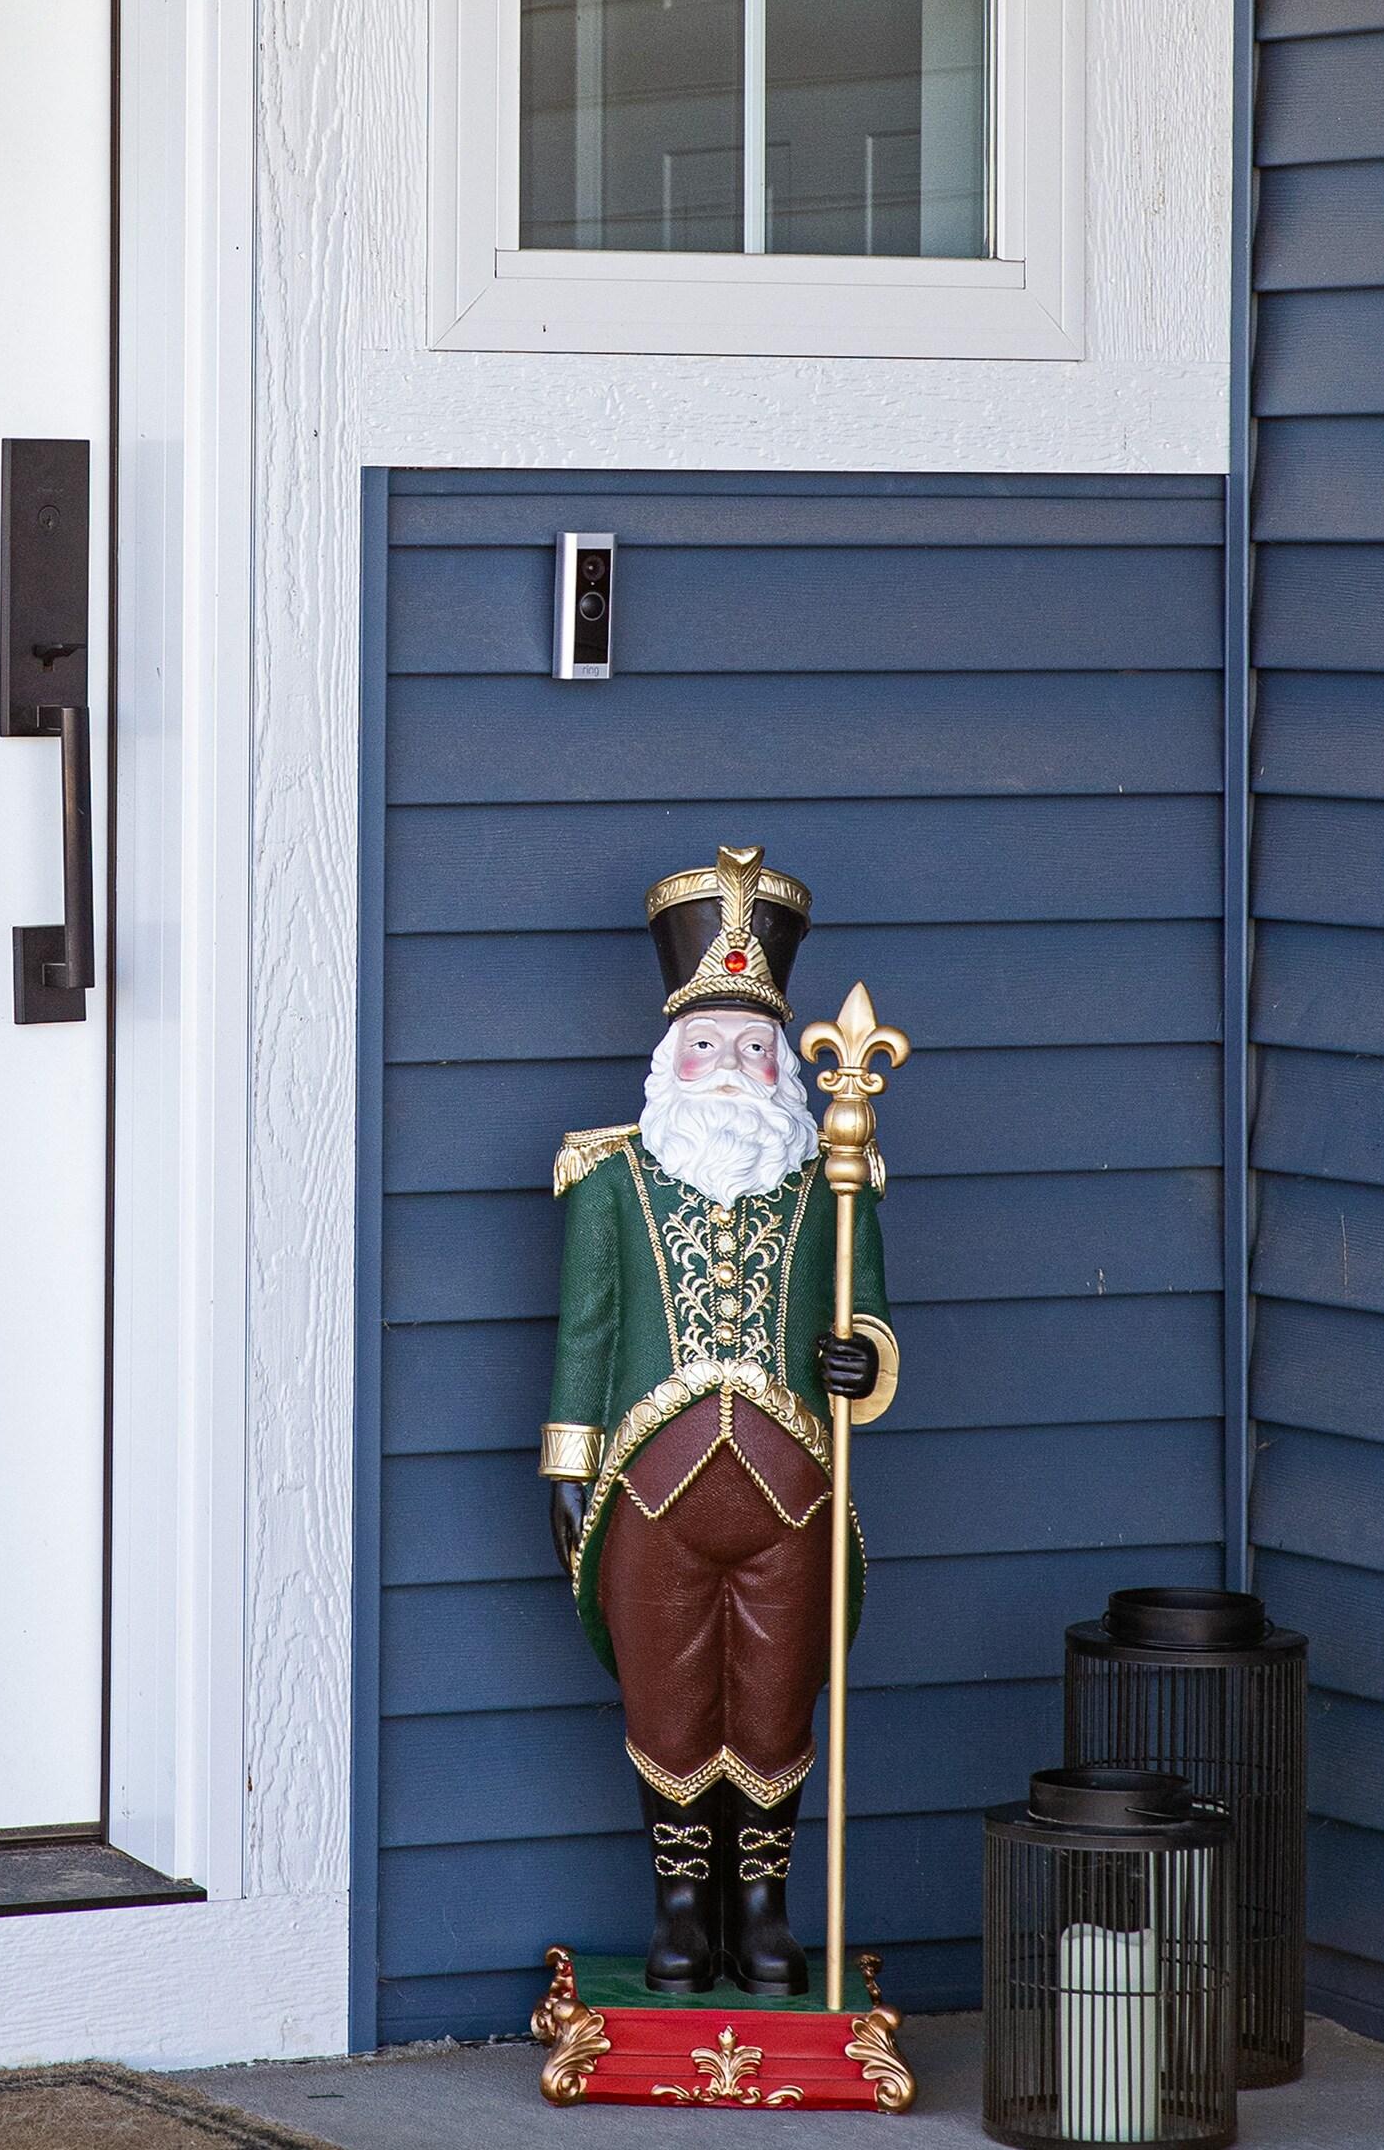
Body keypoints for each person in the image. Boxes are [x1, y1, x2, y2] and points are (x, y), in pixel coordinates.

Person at [539, 847, 896, 1996]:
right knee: (671, 1687)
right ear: (671, 1058)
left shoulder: (833, 1185)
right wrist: (566, 1461)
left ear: (784, 1063)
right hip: (653, 1491)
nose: (732, 1066)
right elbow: (587, 1335)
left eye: (754, 1048)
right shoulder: (612, 1180)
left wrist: (860, 1359)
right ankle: (684, 1905)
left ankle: (767, 1908)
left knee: (778, 1691)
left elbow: (871, 1326)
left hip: (793, 1487)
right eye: (710, 1046)